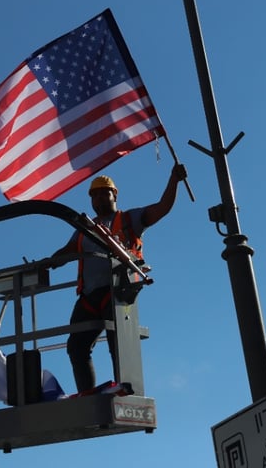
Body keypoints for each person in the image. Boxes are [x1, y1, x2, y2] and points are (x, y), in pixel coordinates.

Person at [51, 163, 187, 394]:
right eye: (95, 195)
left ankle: (125, 387)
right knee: (76, 347)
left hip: (118, 292)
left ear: (114, 194)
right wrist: (46, 263)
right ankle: (87, 394)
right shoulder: (85, 228)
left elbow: (161, 208)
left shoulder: (128, 219)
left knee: (119, 344)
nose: (99, 198)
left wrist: (174, 180)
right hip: (89, 296)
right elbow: (67, 251)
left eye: (104, 192)